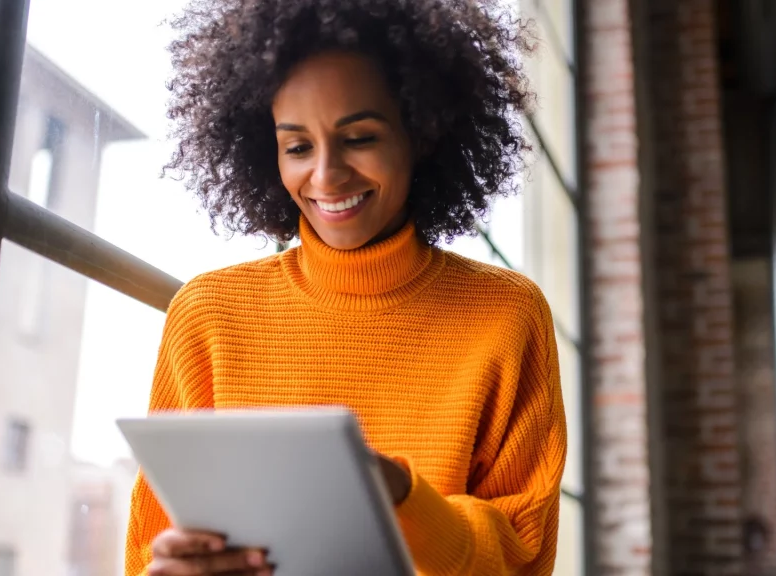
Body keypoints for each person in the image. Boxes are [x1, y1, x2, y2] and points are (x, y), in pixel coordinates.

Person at [125, 0, 567, 574]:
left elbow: (522, 555)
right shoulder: (208, 314)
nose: (327, 176)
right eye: (298, 146)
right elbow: (147, 552)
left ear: (424, 133)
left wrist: (398, 494)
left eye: (359, 137)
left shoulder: (506, 313)